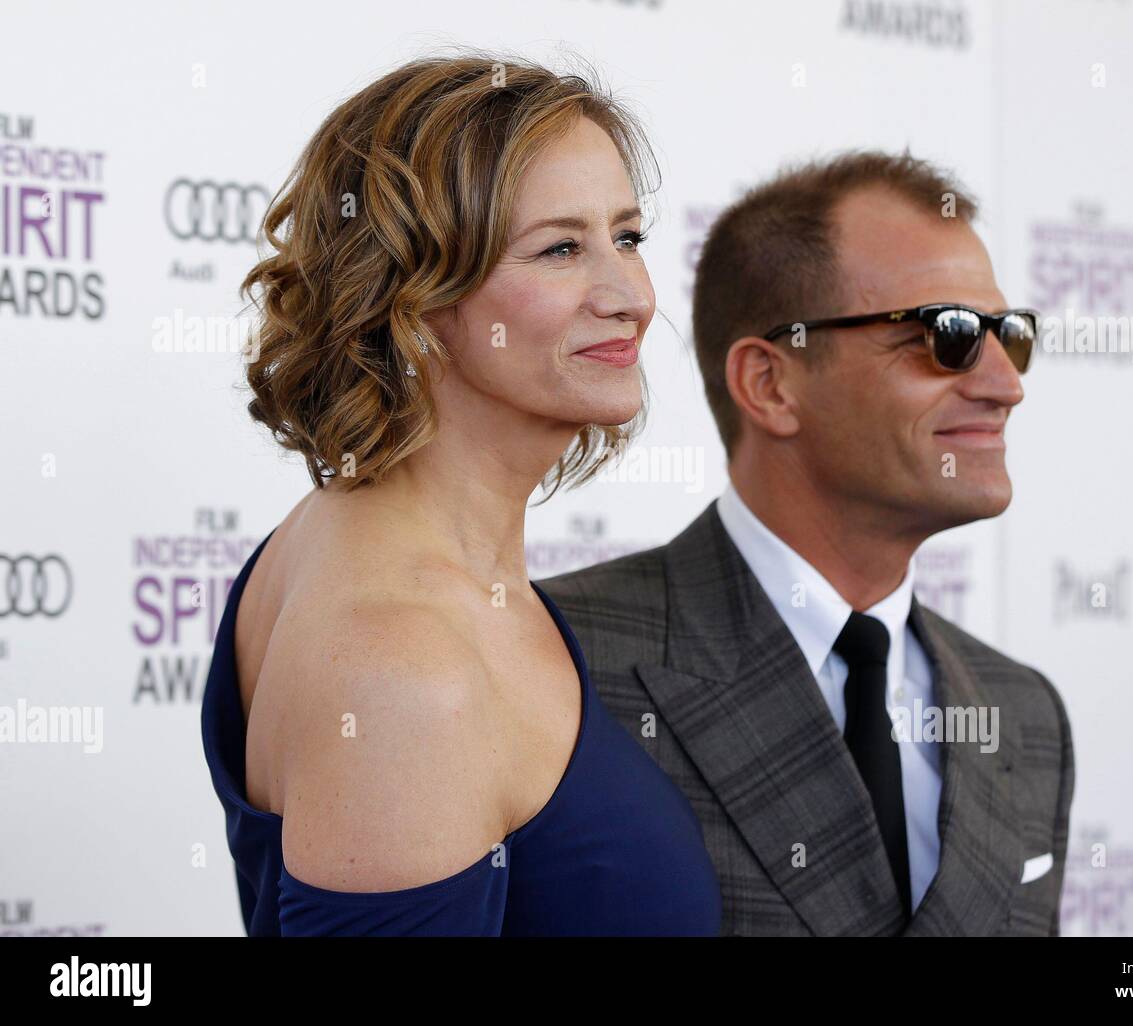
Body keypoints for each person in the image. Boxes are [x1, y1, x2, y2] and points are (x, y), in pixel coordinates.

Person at [199, 52, 721, 936]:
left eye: (627, 237)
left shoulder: (345, 540)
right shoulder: (403, 666)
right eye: (561, 248)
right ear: (414, 295)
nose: (630, 294)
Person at [541, 150, 1075, 936]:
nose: (1006, 384)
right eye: (949, 334)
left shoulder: (1024, 715)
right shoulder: (558, 663)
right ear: (770, 383)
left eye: (1011, 335)